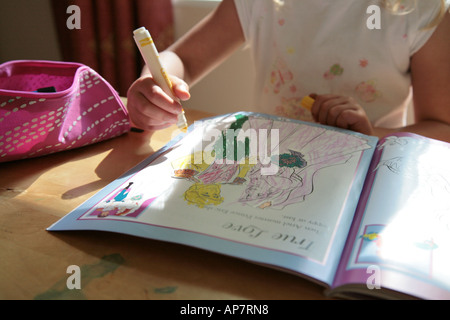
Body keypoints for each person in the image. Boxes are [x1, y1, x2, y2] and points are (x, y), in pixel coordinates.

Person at [127, 0, 450, 142]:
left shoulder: (422, 10)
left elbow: (442, 130)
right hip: (269, 165)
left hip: (365, 176)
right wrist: (152, 82)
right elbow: (183, 59)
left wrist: (369, 136)